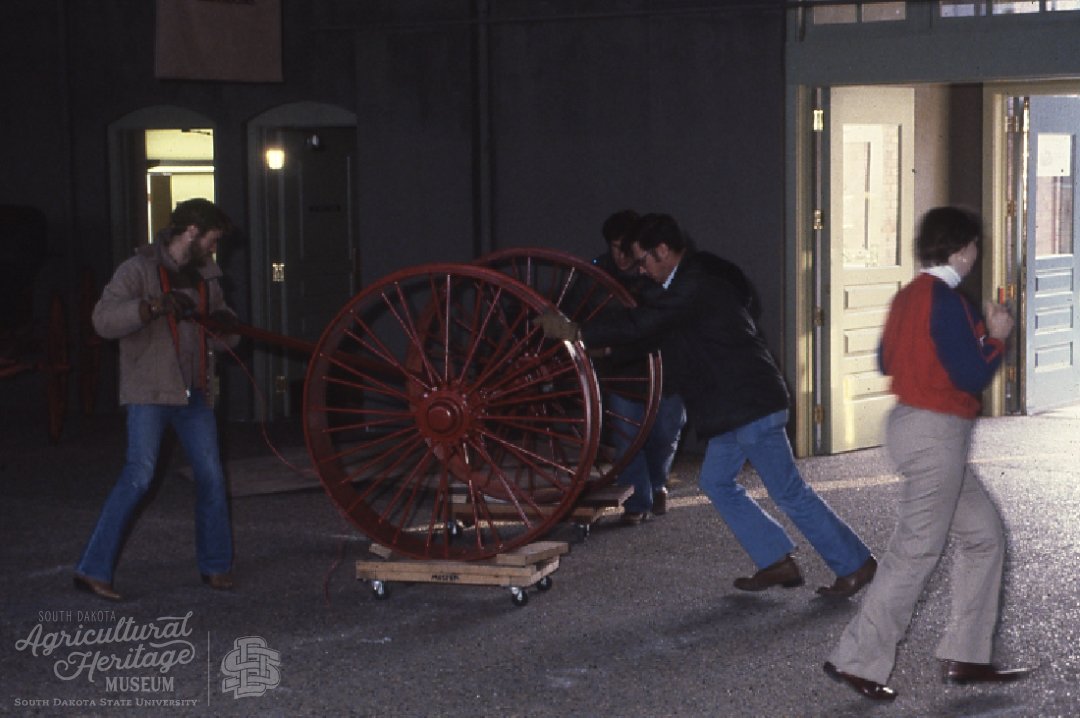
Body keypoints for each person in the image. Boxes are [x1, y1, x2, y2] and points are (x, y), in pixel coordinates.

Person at [538, 213, 876, 597]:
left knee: (788, 491)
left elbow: (643, 324)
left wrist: (576, 330)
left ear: (662, 250)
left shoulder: (692, 284)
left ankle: (855, 565)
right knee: (715, 482)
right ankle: (775, 561)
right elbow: (645, 334)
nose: (640, 270)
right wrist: (592, 343)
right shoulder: (684, 285)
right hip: (732, 406)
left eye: (643, 259)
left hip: (748, 404)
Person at [824, 206, 1033, 701]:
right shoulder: (949, 300)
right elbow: (971, 374)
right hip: (938, 432)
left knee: (984, 536)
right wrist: (997, 336)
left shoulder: (908, 296)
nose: (975, 255)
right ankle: (856, 660)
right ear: (961, 249)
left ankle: (967, 654)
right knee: (915, 550)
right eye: (974, 247)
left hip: (910, 424)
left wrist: (975, 337)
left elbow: (884, 358)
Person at [73, 198, 240, 601]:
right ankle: (92, 570)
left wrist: (228, 326)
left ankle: (215, 566)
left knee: (213, 478)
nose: (214, 249)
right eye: (212, 240)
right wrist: (148, 308)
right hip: (149, 392)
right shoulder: (137, 270)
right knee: (138, 476)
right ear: (192, 233)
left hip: (194, 392)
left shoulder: (206, 276)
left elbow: (226, 329)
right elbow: (102, 319)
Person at [592, 210, 686, 524]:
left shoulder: (659, 275)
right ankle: (637, 502)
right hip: (621, 373)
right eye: (613, 247)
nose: (620, 256)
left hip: (665, 374)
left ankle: (657, 484)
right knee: (627, 442)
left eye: (625, 247)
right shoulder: (596, 275)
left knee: (663, 436)